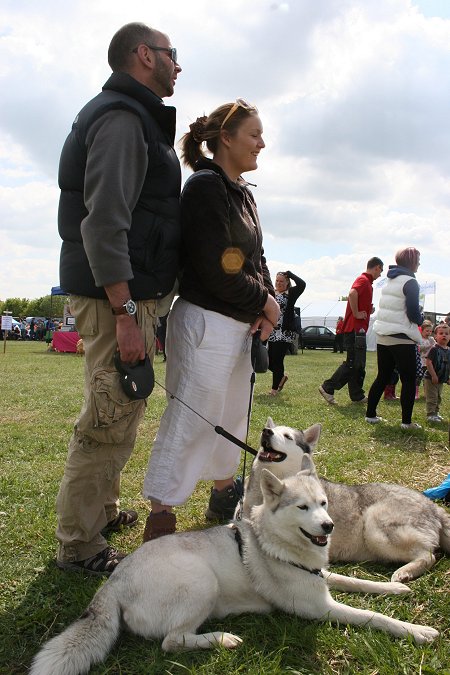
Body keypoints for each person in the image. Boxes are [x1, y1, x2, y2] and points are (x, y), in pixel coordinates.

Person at [55, 22, 182, 576]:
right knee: (107, 416)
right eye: (172, 54)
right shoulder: (123, 119)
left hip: (125, 294)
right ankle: (80, 546)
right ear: (142, 55)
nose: (178, 65)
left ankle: (101, 512)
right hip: (117, 298)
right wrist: (127, 311)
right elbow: (104, 222)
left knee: (121, 406)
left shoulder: (130, 116)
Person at [142, 98, 279, 541]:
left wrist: (266, 306)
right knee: (193, 417)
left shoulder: (241, 192)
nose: (262, 143)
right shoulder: (205, 186)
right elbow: (218, 265)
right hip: (206, 321)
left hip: (238, 324)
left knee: (234, 414)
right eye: (254, 134)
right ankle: (161, 517)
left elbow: (255, 259)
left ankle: (224, 492)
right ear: (227, 137)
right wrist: (266, 301)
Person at [365, 247, 423, 429]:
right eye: (418, 260)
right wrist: (421, 318)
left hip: (383, 334)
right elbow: (413, 313)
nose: (419, 263)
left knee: (383, 376)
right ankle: (406, 422)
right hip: (402, 337)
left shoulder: (390, 280)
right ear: (412, 262)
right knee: (408, 379)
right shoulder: (411, 282)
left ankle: (370, 415)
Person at [319, 257, 383, 404]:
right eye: (381, 271)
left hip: (356, 329)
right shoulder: (364, 280)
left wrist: (367, 309)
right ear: (377, 267)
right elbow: (352, 293)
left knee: (358, 363)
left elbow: (356, 297)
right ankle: (328, 387)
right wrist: (356, 313)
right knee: (353, 362)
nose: (380, 275)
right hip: (354, 329)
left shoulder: (367, 282)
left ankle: (357, 395)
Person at [267, 271, 306, 395]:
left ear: (287, 282)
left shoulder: (291, 293)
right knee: (269, 360)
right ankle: (281, 377)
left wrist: (290, 274)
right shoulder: (272, 292)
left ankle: (274, 389)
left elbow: (302, 284)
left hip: (284, 332)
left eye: (282, 281)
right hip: (273, 331)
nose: (278, 283)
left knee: (278, 360)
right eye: (277, 280)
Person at [423, 323, 449, 423]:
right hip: (431, 378)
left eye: (447, 334)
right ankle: (430, 414)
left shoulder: (448, 351)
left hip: (441, 379)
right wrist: (433, 375)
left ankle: (436, 413)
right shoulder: (434, 349)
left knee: (438, 397)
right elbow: (428, 362)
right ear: (435, 336)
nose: (444, 335)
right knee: (432, 397)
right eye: (441, 333)